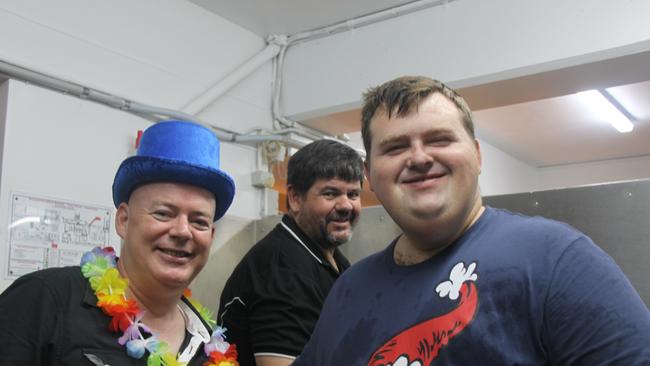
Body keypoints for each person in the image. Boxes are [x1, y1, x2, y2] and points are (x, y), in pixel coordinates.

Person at [294, 76, 650, 365]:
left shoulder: (555, 258)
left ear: (477, 156)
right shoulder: (350, 287)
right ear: (370, 175)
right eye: (396, 147)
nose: (419, 157)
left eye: (440, 139)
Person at [0, 120, 240, 365]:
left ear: (210, 236)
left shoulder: (210, 347)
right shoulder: (46, 300)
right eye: (163, 214)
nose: (182, 231)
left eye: (199, 221)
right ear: (124, 220)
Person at [218, 139, 364, 366]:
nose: (346, 205)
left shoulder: (332, 260)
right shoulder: (281, 268)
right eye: (330, 193)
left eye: (353, 194)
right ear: (295, 199)